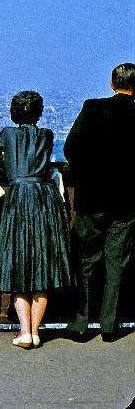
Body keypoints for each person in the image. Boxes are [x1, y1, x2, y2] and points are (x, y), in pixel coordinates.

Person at [0, 91, 73, 349]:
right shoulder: (46, 135)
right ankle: (35, 331)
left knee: (19, 261)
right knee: (42, 263)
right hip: (44, 197)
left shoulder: (7, 135)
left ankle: (24, 330)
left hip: (20, 195)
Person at [64, 63, 135, 343]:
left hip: (92, 197)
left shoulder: (92, 108)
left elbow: (71, 148)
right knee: (117, 261)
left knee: (86, 260)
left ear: (111, 83)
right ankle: (109, 324)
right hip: (128, 200)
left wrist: (86, 177)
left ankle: (81, 321)